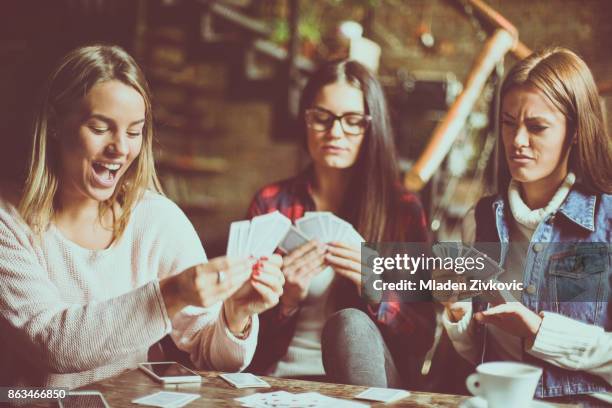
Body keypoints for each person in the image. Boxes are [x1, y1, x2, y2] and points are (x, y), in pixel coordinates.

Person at [0, 44, 284, 389]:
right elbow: (51, 343)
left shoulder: (156, 218)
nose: (121, 147)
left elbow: (212, 353)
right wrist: (170, 295)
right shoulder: (8, 220)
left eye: (134, 132)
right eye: (101, 127)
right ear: (56, 124)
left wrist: (237, 314)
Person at [245, 59, 435, 387]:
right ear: (305, 120)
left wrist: (379, 291)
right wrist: (286, 301)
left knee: (350, 324)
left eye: (352, 121)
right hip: (281, 378)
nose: (335, 132)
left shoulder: (401, 210)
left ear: (371, 126)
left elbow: (422, 338)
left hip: (369, 380)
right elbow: (236, 329)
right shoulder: (272, 203)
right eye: (322, 118)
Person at [443, 48, 612, 406]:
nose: (517, 141)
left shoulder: (607, 223)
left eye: (536, 127)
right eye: (508, 123)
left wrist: (539, 331)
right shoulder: (480, 219)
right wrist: (456, 313)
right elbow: (477, 354)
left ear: (577, 131)